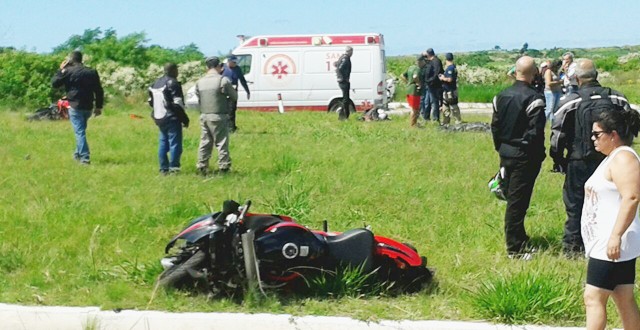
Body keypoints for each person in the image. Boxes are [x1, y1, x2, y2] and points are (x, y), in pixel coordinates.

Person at [550, 59, 630, 257]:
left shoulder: (569, 101)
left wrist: (559, 160)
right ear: (597, 76)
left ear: (576, 78)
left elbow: (557, 135)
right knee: (613, 201)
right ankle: (611, 242)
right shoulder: (617, 98)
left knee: (575, 204)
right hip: (611, 159)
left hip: (579, 160)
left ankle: (573, 248)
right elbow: (630, 126)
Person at [582, 109, 640, 330]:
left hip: (613, 242)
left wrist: (615, 236)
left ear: (613, 134)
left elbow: (632, 197)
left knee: (593, 297)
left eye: (597, 134)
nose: (593, 138)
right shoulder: (614, 158)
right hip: (609, 241)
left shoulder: (623, 158)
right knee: (623, 295)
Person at [491, 56, 546, 259]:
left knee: (514, 198)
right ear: (533, 74)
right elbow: (536, 132)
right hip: (525, 156)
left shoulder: (501, 95)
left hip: (506, 152)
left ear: (515, 72)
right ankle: (514, 248)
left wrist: (501, 147)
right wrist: (536, 153)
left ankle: (520, 237)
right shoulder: (534, 98)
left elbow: (495, 126)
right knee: (518, 201)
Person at [51, 50, 104, 165]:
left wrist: (61, 70)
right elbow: (99, 90)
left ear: (70, 60)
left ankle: (85, 158)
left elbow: (55, 83)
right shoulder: (91, 72)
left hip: (75, 106)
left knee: (79, 132)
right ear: (81, 59)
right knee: (81, 131)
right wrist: (99, 106)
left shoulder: (68, 71)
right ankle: (77, 154)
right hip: (88, 106)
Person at [195, 56, 238, 175]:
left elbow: (199, 98)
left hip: (204, 115)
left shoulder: (200, 82)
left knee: (205, 142)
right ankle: (224, 166)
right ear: (219, 66)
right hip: (219, 115)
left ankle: (202, 166)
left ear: (206, 67)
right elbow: (234, 96)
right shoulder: (223, 80)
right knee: (221, 142)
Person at [148, 63, 190, 175]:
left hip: (159, 117)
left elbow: (150, 102)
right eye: (177, 70)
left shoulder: (155, 83)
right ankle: (174, 168)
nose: (178, 72)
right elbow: (178, 103)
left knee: (163, 143)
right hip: (172, 117)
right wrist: (184, 118)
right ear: (173, 70)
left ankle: (163, 168)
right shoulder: (173, 82)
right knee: (175, 144)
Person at [222, 55, 250, 132]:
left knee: (232, 109)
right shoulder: (222, 67)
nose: (235, 64)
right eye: (233, 62)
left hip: (233, 91)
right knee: (224, 110)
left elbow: (242, 80)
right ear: (229, 61)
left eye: (236, 62)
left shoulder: (237, 69)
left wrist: (247, 91)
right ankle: (224, 127)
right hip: (223, 92)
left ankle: (232, 127)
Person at [401, 56, 426, 127]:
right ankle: (413, 124)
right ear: (420, 62)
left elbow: (402, 75)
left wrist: (407, 82)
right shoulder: (417, 69)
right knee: (414, 109)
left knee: (414, 108)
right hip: (414, 91)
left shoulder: (410, 67)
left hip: (408, 89)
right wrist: (418, 84)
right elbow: (415, 76)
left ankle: (414, 123)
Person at [439, 52, 461, 126]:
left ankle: (458, 121)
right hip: (447, 90)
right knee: (445, 107)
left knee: (453, 106)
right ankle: (446, 122)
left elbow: (450, 79)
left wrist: (443, 78)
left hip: (450, 91)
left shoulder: (450, 68)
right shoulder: (453, 67)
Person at [424, 48, 443, 123]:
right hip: (430, 85)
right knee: (427, 102)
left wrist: (430, 81)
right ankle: (426, 117)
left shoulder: (436, 61)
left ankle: (435, 118)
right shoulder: (432, 61)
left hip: (434, 85)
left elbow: (436, 73)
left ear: (428, 54)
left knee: (434, 102)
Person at [335, 46, 353, 120]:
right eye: (352, 52)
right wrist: (345, 78)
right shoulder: (346, 58)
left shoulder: (342, 57)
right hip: (343, 81)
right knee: (346, 99)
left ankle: (342, 116)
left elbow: (337, 65)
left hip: (341, 80)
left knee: (346, 99)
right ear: (350, 51)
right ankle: (344, 116)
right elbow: (340, 68)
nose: (352, 53)